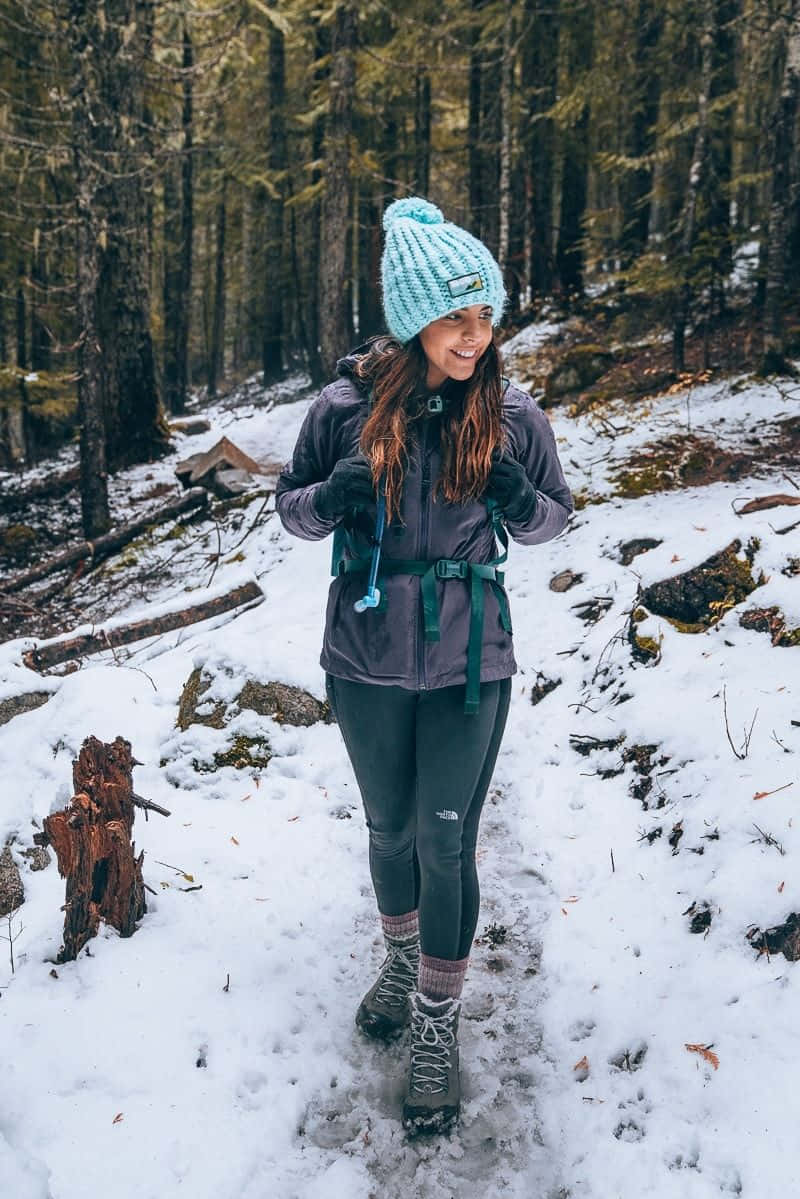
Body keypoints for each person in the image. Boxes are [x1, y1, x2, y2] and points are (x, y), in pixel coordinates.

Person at [276, 196, 573, 1135]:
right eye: (458, 317)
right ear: (414, 321)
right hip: (364, 653)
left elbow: (555, 519)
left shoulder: (513, 413)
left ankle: (437, 1025)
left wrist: (521, 497)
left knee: (446, 841)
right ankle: (401, 958)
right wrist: (335, 493)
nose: (477, 337)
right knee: (390, 828)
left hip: (469, 661)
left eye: (486, 316)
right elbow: (289, 508)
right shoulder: (342, 409)